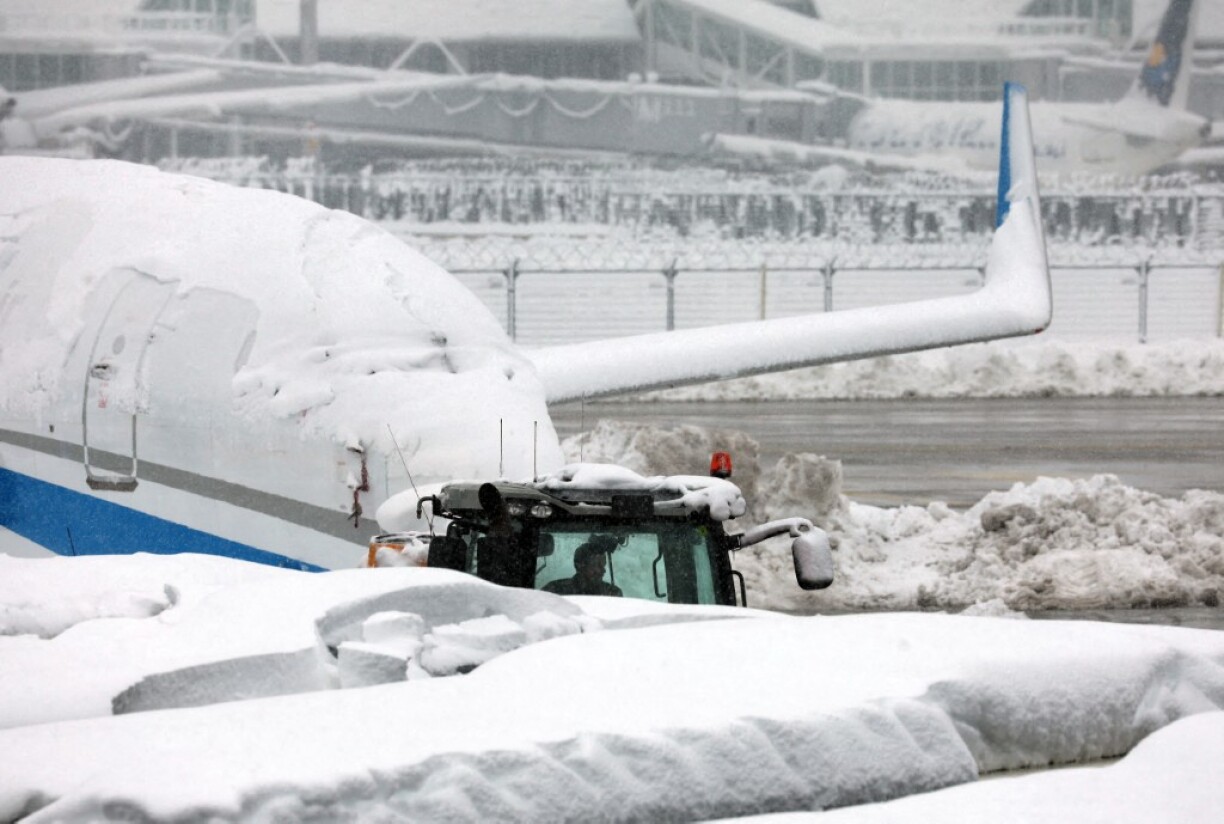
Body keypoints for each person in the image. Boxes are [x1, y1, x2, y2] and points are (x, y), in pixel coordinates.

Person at [543, 539, 622, 597]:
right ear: (580, 566)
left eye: (603, 564)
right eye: (596, 564)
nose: (603, 570)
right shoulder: (555, 590)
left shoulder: (612, 594)